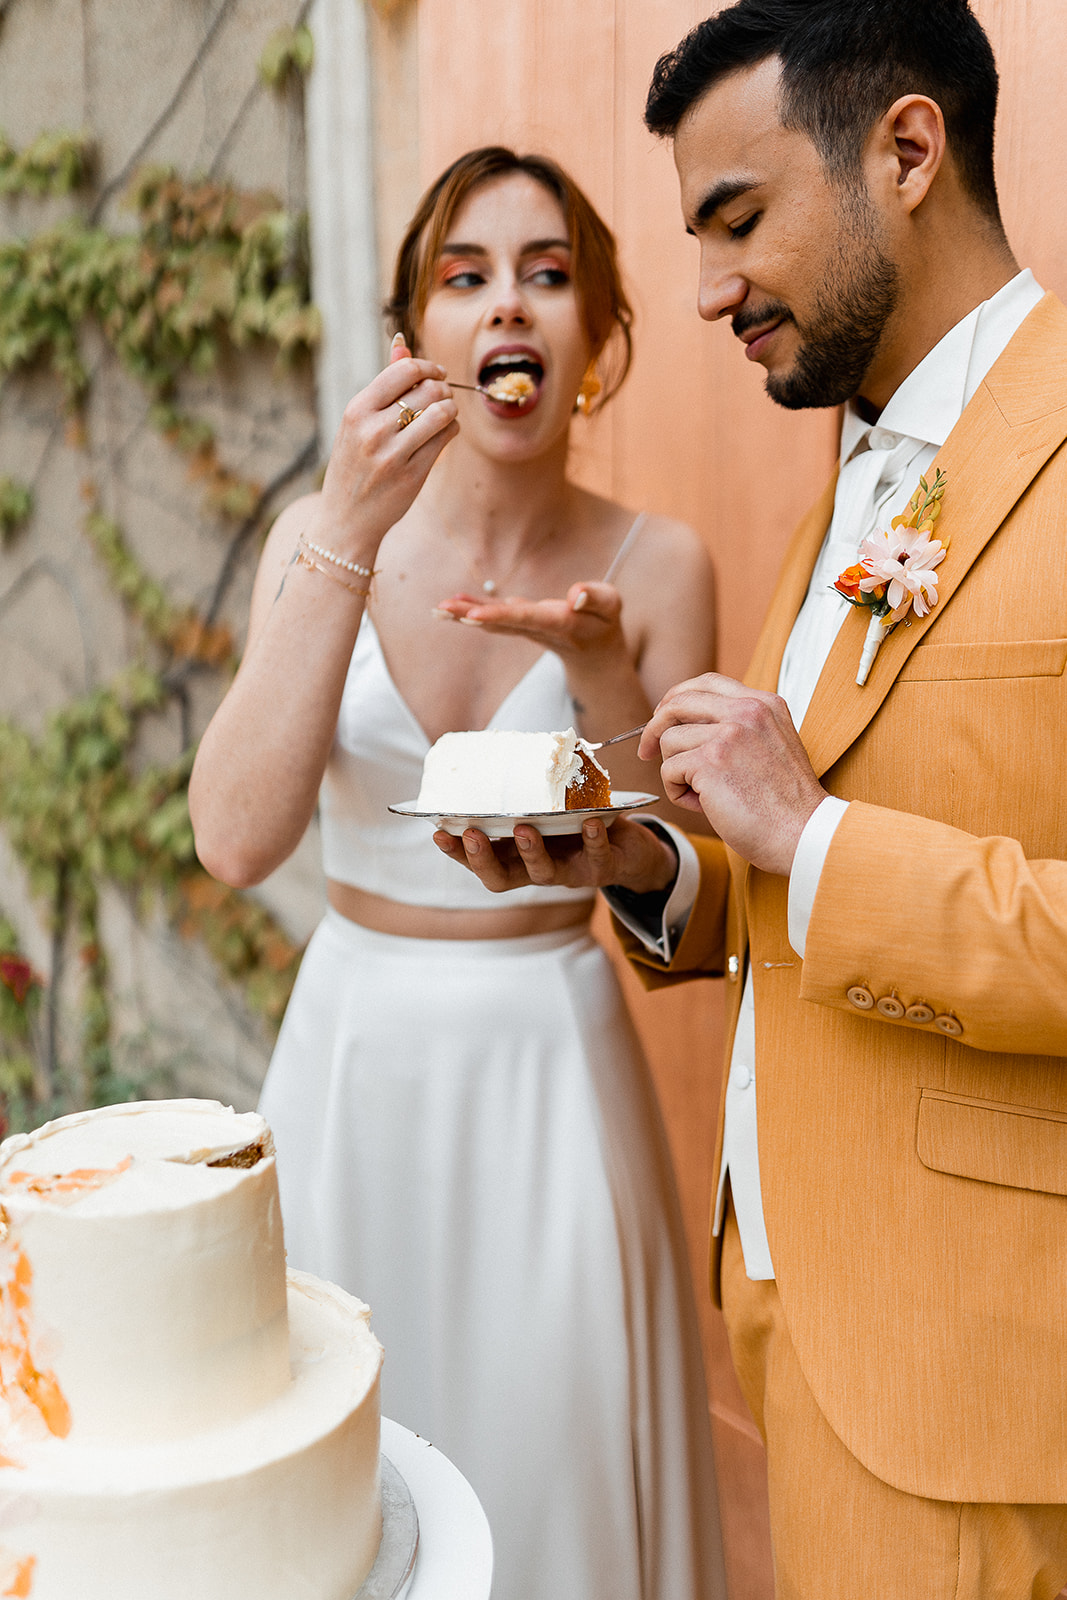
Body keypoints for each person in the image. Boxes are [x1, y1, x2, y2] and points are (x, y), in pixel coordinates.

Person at [436, 7, 1067, 1597]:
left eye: (740, 220)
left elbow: (825, 846)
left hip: (988, 1380)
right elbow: (786, 897)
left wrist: (814, 835)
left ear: (907, 153)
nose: (707, 288)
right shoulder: (845, 488)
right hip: (802, 1328)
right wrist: (646, 859)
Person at [189, 148, 727, 1600]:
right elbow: (237, 839)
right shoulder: (319, 534)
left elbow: (683, 886)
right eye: (465, 275)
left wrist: (605, 678)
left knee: (553, 1460)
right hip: (353, 1051)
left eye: (550, 276)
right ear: (416, 339)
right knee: (349, 1478)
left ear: (596, 340)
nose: (511, 305)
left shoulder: (660, 564)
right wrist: (345, 537)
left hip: (555, 1058)